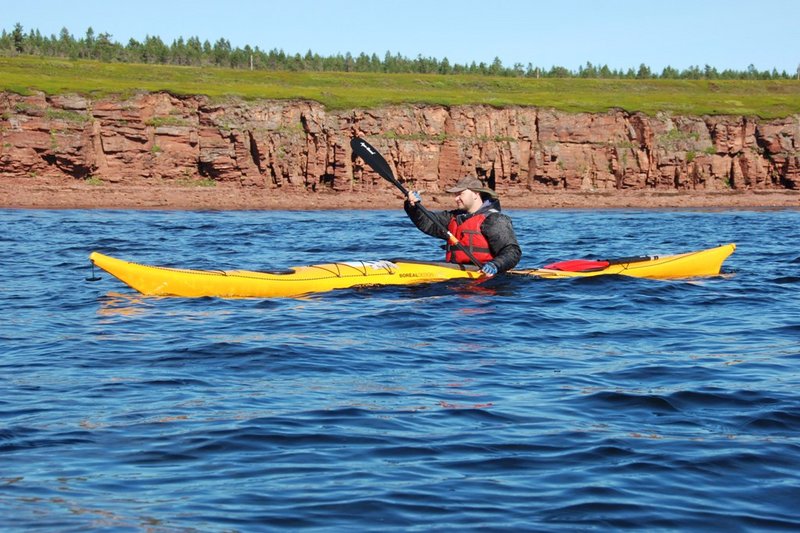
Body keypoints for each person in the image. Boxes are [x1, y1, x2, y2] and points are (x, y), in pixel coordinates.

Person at [404, 176, 521, 277]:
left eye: (460, 194)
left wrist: (495, 265)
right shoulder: (451, 218)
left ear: (476, 194)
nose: (456, 198)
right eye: (455, 194)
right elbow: (427, 223)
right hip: (457, 277)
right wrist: (413, 207)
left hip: (486, 280)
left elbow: (512, 251)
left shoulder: (494, 219)